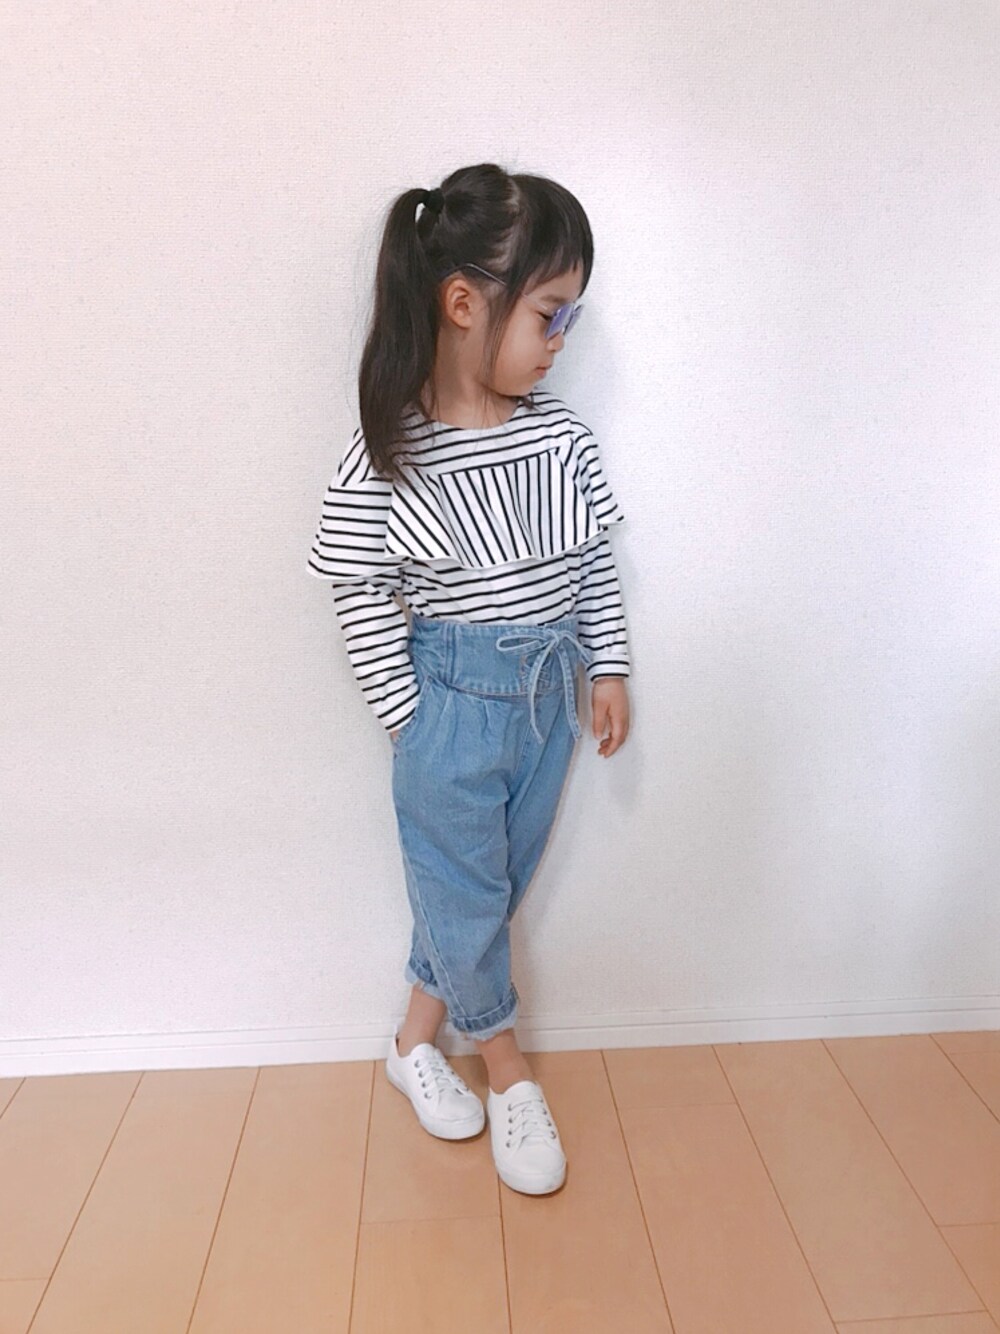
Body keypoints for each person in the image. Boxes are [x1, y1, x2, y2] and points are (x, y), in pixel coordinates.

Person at [308, 162, 631, 1196]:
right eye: (549, 312)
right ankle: (505, 1066)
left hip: (548, 705)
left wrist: (607, 664)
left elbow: (592, 563)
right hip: (448, 703)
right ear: (462, 303)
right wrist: (411, 719)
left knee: (478, 894)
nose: (562, 337)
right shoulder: (389, 452)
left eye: (571, 316)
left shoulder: (561, 439)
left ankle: (412, 1043)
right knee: (468, 891)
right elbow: (358, 588)